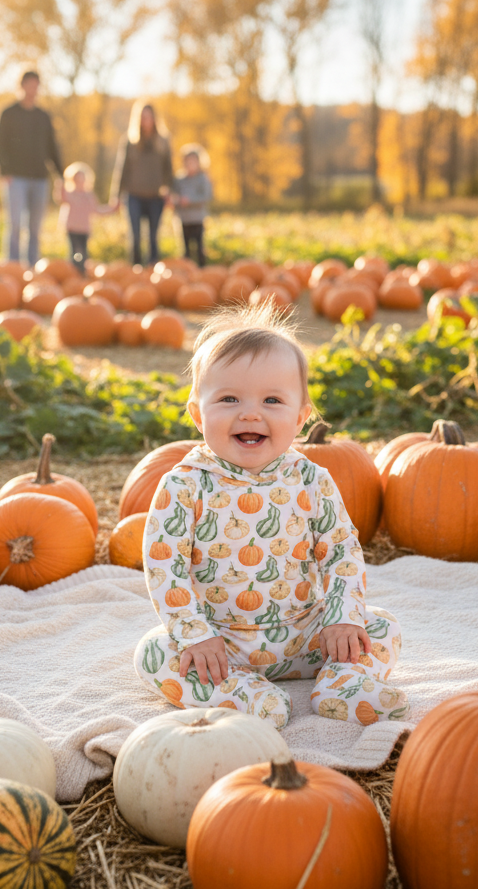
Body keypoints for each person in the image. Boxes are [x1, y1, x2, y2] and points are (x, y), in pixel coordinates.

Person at [133, 304, 409, 729]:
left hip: (304, 635)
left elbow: (339, 551)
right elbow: (164, 566)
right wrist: (194, 634)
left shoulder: (311, 479)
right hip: (219, 642)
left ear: (300, 418)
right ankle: (244, 695)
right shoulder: (184, 485)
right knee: (153, 654)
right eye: (229, 399)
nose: (250, 413)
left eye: (272, 401)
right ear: (196, 414)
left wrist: (341, 617)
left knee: (381, 626)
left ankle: (342, 682)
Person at [0, 70, 64, 267]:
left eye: (36, 86)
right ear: (22, 86)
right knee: (15, 224)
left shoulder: (43, 117)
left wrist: (60, 174)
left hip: (39, 178)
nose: (33, 90)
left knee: (34, 227)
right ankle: (13, 267)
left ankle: (32, 267)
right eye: (29, 85)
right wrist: (4, 171)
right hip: (15, 178)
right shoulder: (8, 113)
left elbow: (52, 147)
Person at [111, 100, 174, 266]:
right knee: (136, 236)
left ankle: (154, 272)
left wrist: (171, 193)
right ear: (137, 119)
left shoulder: (163, 141)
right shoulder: (129, 141)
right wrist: (116, 196)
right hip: (133, 196)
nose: (146, 121)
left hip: (155, 196)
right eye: (143, 117)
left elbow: (169, 170)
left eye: (149, 117)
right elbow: (122, 170)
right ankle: (136, 269)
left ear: (155, 119)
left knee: (153, 236)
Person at [54, 162, 117, 278]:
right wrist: (60, 186)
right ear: (72, 181)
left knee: (83, 253)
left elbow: (97, 210)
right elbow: (61, 199)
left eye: (82, 180)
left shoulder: (89, 196)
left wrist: (112, 209)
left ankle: (82, 274)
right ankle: (73, 274)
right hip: (72, 228)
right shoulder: (70, 194)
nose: (80, 182)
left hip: (84, 229)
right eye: (77, 180)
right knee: (75, 252)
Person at [171, 144, 213, 267]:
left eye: (193, 162)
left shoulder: (202, 179)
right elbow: (174, 197)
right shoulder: (179, 179)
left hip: (198, 219)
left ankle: (202, 271)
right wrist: (176, 201)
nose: (190, 164)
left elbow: (206, 197)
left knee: (199, 248)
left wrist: (190, 200)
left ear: (199, 162)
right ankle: (187, 272)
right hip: (183, 219)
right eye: (188, 162)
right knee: (186, 250)